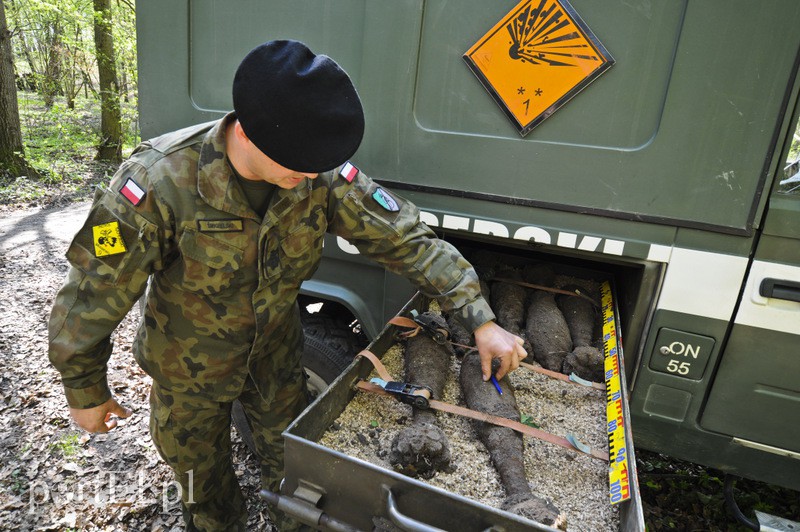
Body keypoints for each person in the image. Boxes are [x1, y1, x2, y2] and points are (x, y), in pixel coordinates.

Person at [48, 39, 527, 531]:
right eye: (296, 169)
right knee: (202, 489)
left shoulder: (316, 171)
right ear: (250, 136)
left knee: (301, 474)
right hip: (187, 374)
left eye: (314, 170)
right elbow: (91, 295)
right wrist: (84, 390)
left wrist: (479, 317)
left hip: (276, 357)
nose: (307, 179)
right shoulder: (157, 183)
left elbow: (405, 239)